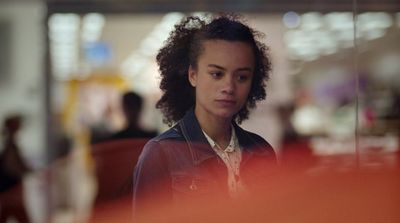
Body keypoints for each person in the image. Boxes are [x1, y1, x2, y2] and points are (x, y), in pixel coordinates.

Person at [132, 14, 277, 218]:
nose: (229, 87)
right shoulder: (162, 154)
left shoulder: (262, 151)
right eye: (217, 74)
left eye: (242, 77)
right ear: (193, 75)